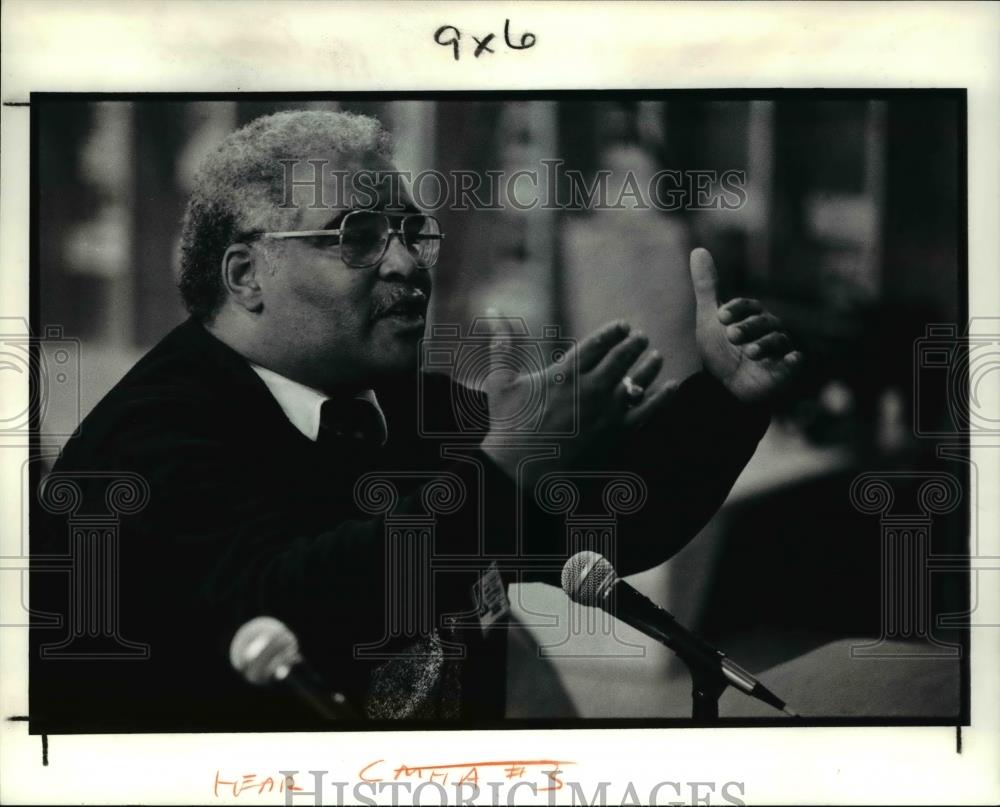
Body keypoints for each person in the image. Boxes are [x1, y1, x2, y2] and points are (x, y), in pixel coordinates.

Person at [30, 110, 802, 732]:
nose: (406, 264)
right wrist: (503, 465)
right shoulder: (142, 446)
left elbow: (613, 523)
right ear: (246, 274)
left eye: (410, 232)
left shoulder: (399, 405)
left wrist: (729, 397)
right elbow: (294, 608)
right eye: (359, 237)